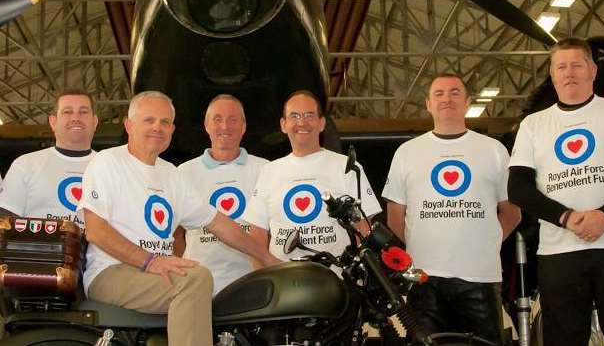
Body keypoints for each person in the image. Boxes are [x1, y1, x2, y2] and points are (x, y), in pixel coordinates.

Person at [77, 91, 279, 346]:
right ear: (129, 125)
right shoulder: (108, 162)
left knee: (198, 278)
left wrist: (267, 257)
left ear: (172, 129)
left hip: (153, 273)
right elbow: (95, 231)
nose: (157, 128)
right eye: (148, 120)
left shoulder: (171, 175)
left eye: (164, 122)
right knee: (195, 279)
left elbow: (218, 223)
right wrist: (150, 262)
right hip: (110, 271)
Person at [508, 37, 604, 346]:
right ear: (552, 75)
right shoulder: (533, 125)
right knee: (562, 337)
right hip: (560, 253)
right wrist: (565, 217)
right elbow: (517, 187)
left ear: (593, 71)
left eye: (577, 65)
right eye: (561, 66)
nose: (569, 72)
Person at [383, 74, 520, 344]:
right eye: (439, 94)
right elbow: (395, 216)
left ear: (468, 102)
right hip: (424, 280)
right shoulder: (407, 152)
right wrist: (417, 251)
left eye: (455, 92)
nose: (447, 99)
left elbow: (512, 212)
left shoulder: (494, 150)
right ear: (428, 104)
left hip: (480, 278)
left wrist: (486, 242)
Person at [242, 90, 381, 262]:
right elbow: (256, 233)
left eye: (309, 115)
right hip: (283, 282)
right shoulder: (269, 171)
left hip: (336, 280)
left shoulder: (347, 167)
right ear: (283, 124)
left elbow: (365, 223)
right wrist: (263, 281)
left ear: (322, 123)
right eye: (294, 116)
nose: (302, 122)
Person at [177, 94, 269, 295]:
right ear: (206, 125)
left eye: (233, 119)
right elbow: (175, 233)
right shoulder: (183, 173)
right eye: (217, 119)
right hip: (199, 284)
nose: (225, 127)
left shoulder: (266, 169)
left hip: (253, 282)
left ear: (244, 126)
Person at [0, 88, 98, 226]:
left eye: (83, 112)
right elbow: (5, 222)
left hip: (96, 248)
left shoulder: (111, 168)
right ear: (53, 122)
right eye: (67, 112)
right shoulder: (25, 164)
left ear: (95, 122)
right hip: (36, 247)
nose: (75, 118)